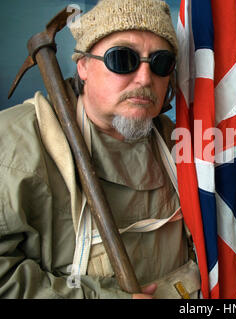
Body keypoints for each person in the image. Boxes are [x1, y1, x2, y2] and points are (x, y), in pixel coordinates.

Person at [0, 0, 199, 299]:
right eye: (122, 59)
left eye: (160, 63)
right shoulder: (18, 145)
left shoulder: (180, 141)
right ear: (83, 66)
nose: (145, 78)